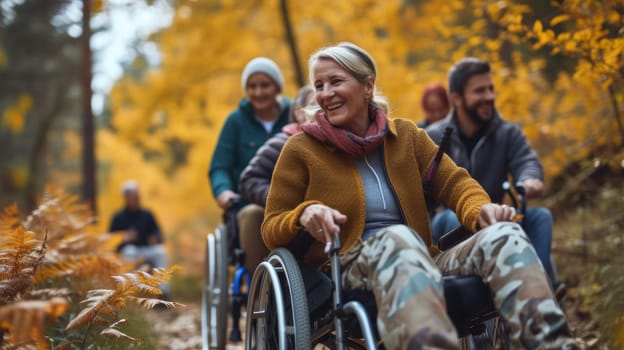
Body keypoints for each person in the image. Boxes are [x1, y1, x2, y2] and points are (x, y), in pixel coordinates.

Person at [262, 42, 578, 349]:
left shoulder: (406, 137)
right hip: (348, 266)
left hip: (424, 257)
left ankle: (553, 344)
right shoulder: (301, 149)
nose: (325, 94)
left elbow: (455, 182)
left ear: (367, 86)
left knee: (505, 234)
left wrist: (481, 210)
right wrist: (304, 213)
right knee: (398, 237)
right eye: (319, 85)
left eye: (335, 81)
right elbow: (271, 226)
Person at [425, 57, 563, 295]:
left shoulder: (507, 133)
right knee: (450, 218)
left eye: (490, 89)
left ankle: (541, 287)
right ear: (456, 98)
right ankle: (470, 291)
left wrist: (529, 179)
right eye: (480, 91)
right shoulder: (434, 136)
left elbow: (527, 161)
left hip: (497, 217)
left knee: (540, 217)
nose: (489, 96)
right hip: (448, 224)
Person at [208, 57, 291, 258]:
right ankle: (259, 284)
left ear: (277, 88)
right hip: (248, 202)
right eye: (252, 86)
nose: (258, 92)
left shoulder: (294, 115)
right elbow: (220, 167)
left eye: (265, 85)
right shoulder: (235, 122)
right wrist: (223, 191)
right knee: (254, 215)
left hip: (291, 201)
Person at [237, 85, 314, 273]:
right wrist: (282, 199)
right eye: (314, 106)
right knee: (253, 214)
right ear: (298, 112)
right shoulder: (281, 143)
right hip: (284, 216)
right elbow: (248, 180)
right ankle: (259, 285)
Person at [109, 180, 170, 295]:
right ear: (126, 198)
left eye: (138, 196)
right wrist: (124, 238)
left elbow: (158, 233)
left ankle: (164, 294)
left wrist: (156, 238)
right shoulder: (118, 217)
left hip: (146, 250)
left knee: (161, 251)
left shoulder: (147, 214)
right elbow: (110, 242)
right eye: (134, 196)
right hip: (128, 252)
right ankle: (129, 292)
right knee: (129, 251)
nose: (137, 199)